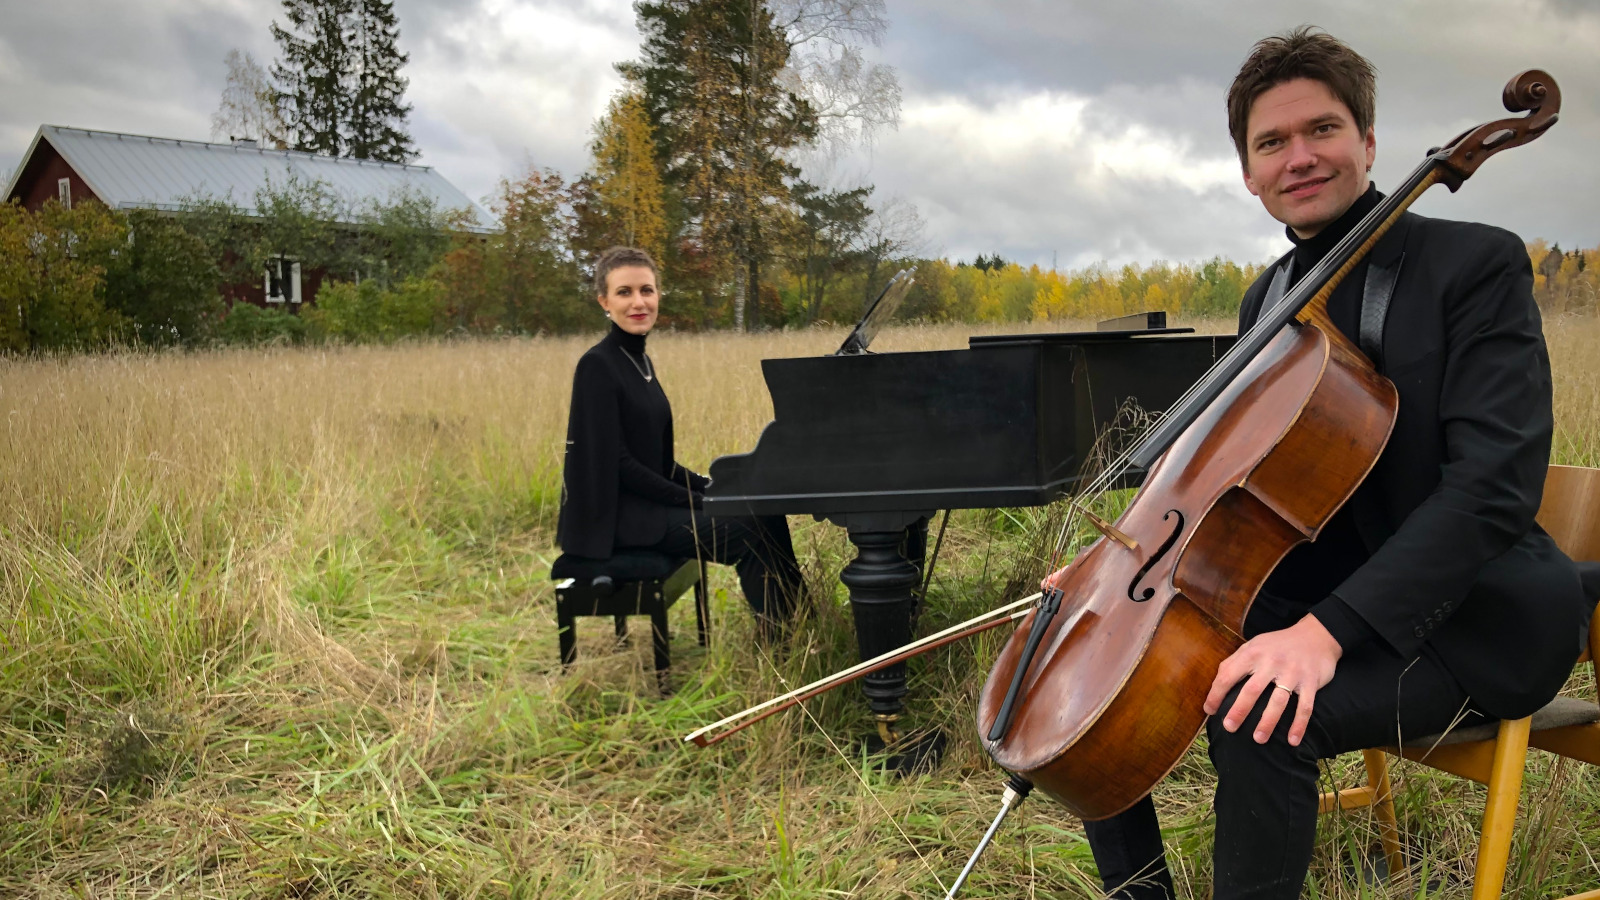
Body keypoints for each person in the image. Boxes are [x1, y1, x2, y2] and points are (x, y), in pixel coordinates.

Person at [1067, 27, 1596, 899]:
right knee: (1101, 670)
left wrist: (1322, 637)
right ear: (1248, 172)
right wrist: (1114, 569)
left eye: (1323, 130)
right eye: (1272, 142)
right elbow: (1235, 481)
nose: (1299, 157)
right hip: (1326, 591)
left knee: (1261, 718)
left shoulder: (1474, 265)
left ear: (1369, 142)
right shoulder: (1268, 296)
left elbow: (1493, 491)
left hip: (1478, 620)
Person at [555, 246, 803, 636]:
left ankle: (799, 620)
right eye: (624, 292)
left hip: (646, 506)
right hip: (618, 521)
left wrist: (718, 487)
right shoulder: (598, 365)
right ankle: (780, 641)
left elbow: (661, 465)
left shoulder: (640, 362)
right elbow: (618, 464)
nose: (639, 302)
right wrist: (698, 501)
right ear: (604, 301)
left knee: (764, 510)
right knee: (749, 531)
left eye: (647, 290)